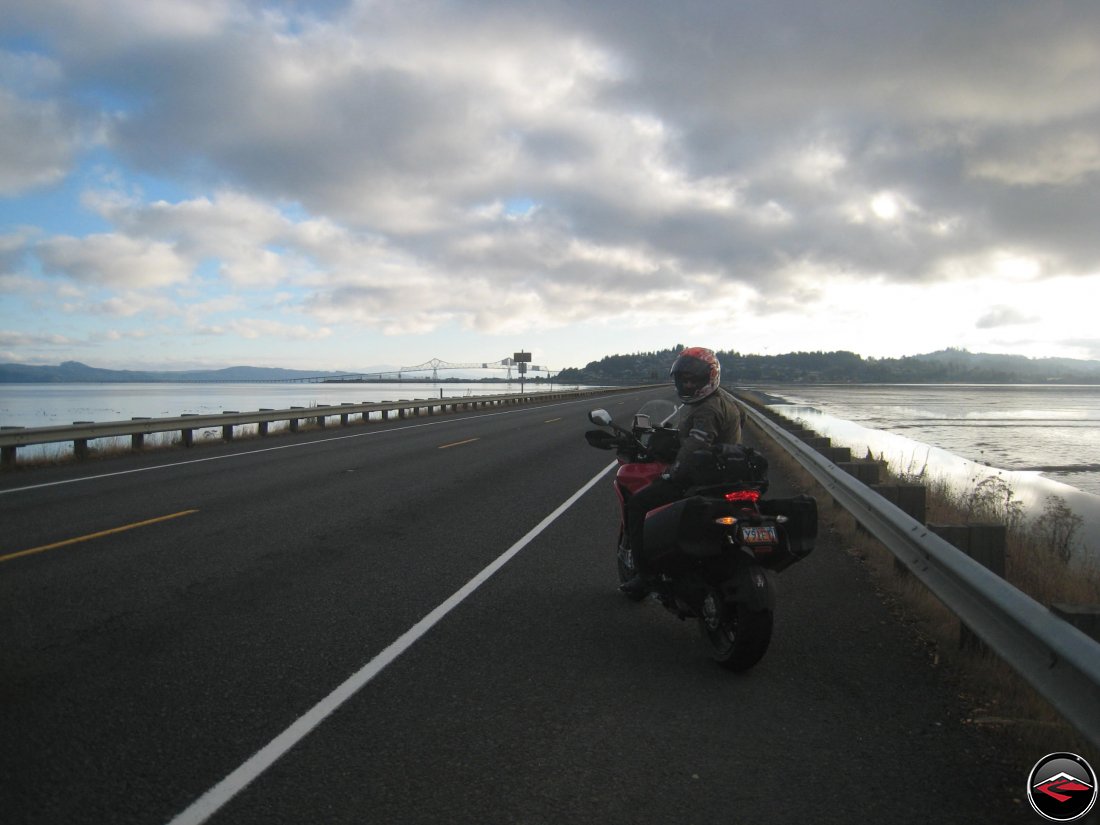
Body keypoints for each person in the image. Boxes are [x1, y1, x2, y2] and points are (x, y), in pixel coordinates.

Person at [620, 346, 743, 596]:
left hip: (703, 477)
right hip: (729, 474)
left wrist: (672, 472)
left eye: (692, 380)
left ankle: (645, 575)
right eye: (683, 380)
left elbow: (696, 444)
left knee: (638, 505)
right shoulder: (725, 402)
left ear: (709, 378)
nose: (687, 385)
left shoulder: (707, 409)